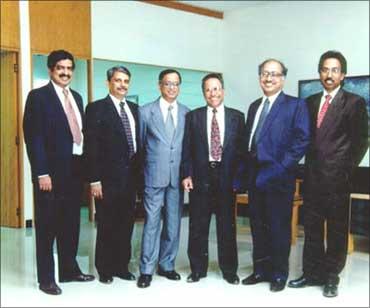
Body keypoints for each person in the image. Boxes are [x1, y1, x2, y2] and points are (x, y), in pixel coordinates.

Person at [288, 51, 368, 297]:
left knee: (336, 229)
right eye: (325, 69)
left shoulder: (354, 102)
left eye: (334, 70)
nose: (329, 74)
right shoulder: (309, 102)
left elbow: (362, 140)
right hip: (312, 177)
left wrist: (346, 168)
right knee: (311, 227)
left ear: (342, 75)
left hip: (338, 179)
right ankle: (312, 273)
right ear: (319, 73)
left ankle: (332, 277)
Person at [23, 49, 95, 295]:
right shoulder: (38, 97)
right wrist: (41, 172)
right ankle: (46, 279)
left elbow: (81, 134)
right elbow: (34, 138)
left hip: (74, 171)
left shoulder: (76, 96)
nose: (65, 72)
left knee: (71, 224)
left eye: (69, 68)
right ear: (51, 70)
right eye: (60, 68)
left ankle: (69, 270)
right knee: (47, 227)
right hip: (50, 175)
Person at [242, 59, 310, 292]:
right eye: (264, 73)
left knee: (279, 228)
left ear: (282, 78)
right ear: (259, 77)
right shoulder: (253, 106)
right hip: (255, 177)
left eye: (274, 74)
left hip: (279, 177)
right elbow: (251, 141)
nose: (268, 78)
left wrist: (282, 166)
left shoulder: (295, 105)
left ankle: (279, 274)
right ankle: (260, 270)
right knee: (258, 226)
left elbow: (302, 139)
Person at [181, 73, 244, 285]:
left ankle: (229, 271)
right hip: (201, 177)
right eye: (208, 89)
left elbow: (241, 153)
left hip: (226, 179)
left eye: (216, 88)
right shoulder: (193, 117)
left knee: (227, 227)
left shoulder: (237, 117)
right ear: (203, 93)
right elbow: (186, 149)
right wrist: (186, 174)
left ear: (223, 91)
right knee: (198, 225)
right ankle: (197, 269)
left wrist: (237, 180)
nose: (212, 93)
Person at [84, 66, 140, 284]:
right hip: (106, 180)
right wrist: (94, 179)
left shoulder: (135, 109)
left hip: (131, 179)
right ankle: (105, 269)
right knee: (107, 224)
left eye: (126, 81)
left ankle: (121, 266)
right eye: (118, 80)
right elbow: (91, 148)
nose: (122, 85)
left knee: (126, 224)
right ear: (109, 82)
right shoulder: (96, 109)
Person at [137, 69, 190, 288]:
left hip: (177, 178)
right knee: (151, 224)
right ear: (160, 85)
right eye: (168, 84)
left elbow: (188, 148)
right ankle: (146, 269)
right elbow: (140, 146)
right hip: (153, 177)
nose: (172, 88)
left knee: (173, 224)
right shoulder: (145, 111)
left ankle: (166, 265)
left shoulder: (187, 113)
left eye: (176, 84)